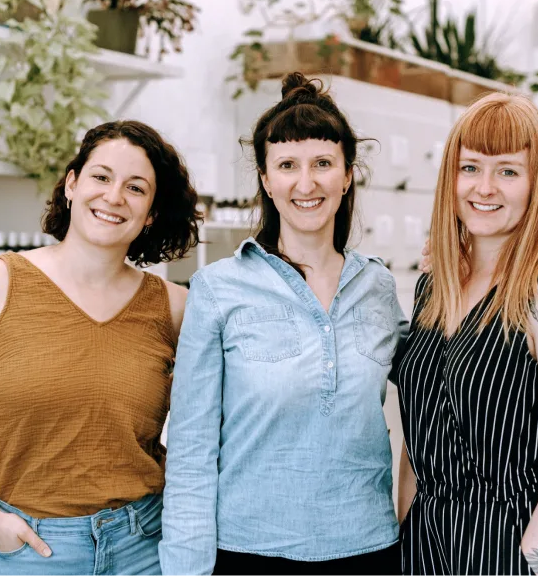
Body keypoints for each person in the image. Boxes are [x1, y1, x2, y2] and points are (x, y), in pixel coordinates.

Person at [0, 120, 201, 575]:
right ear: (73, 185)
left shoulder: (175, 308)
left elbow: (217, 426)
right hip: (30, 551)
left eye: (136, 188)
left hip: (145, 546)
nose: (114, 196)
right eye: (101, 177)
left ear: (151, 212)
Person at [158, 72, 408, 576]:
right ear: (266, 180)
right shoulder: (217, 288)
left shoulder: (378, 286)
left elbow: (439, 394)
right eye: (287, 165)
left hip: (369, 548)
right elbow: (191, 452)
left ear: (347, 175)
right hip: (248, 552)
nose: (306, 182)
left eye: (322, 164)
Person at [396, 92, 538, 575]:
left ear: (537, 185)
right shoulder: (435, 285)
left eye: (508, 171)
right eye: (470, 167)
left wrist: (524, 566)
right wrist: (405, 535)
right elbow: (418, 442)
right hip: (430, 548)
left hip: (523, 550)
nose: (484, 187)